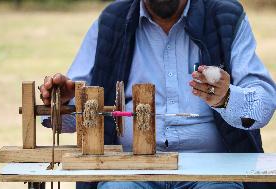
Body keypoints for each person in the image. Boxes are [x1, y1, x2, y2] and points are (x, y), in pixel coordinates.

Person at [40, 0, 276, 188]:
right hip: (129, 172)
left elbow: (264, 106)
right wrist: (64, 100)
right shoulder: (113, 19)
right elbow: (68, 117)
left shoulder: (226, 15)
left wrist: (226, 98)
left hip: (212, 172)